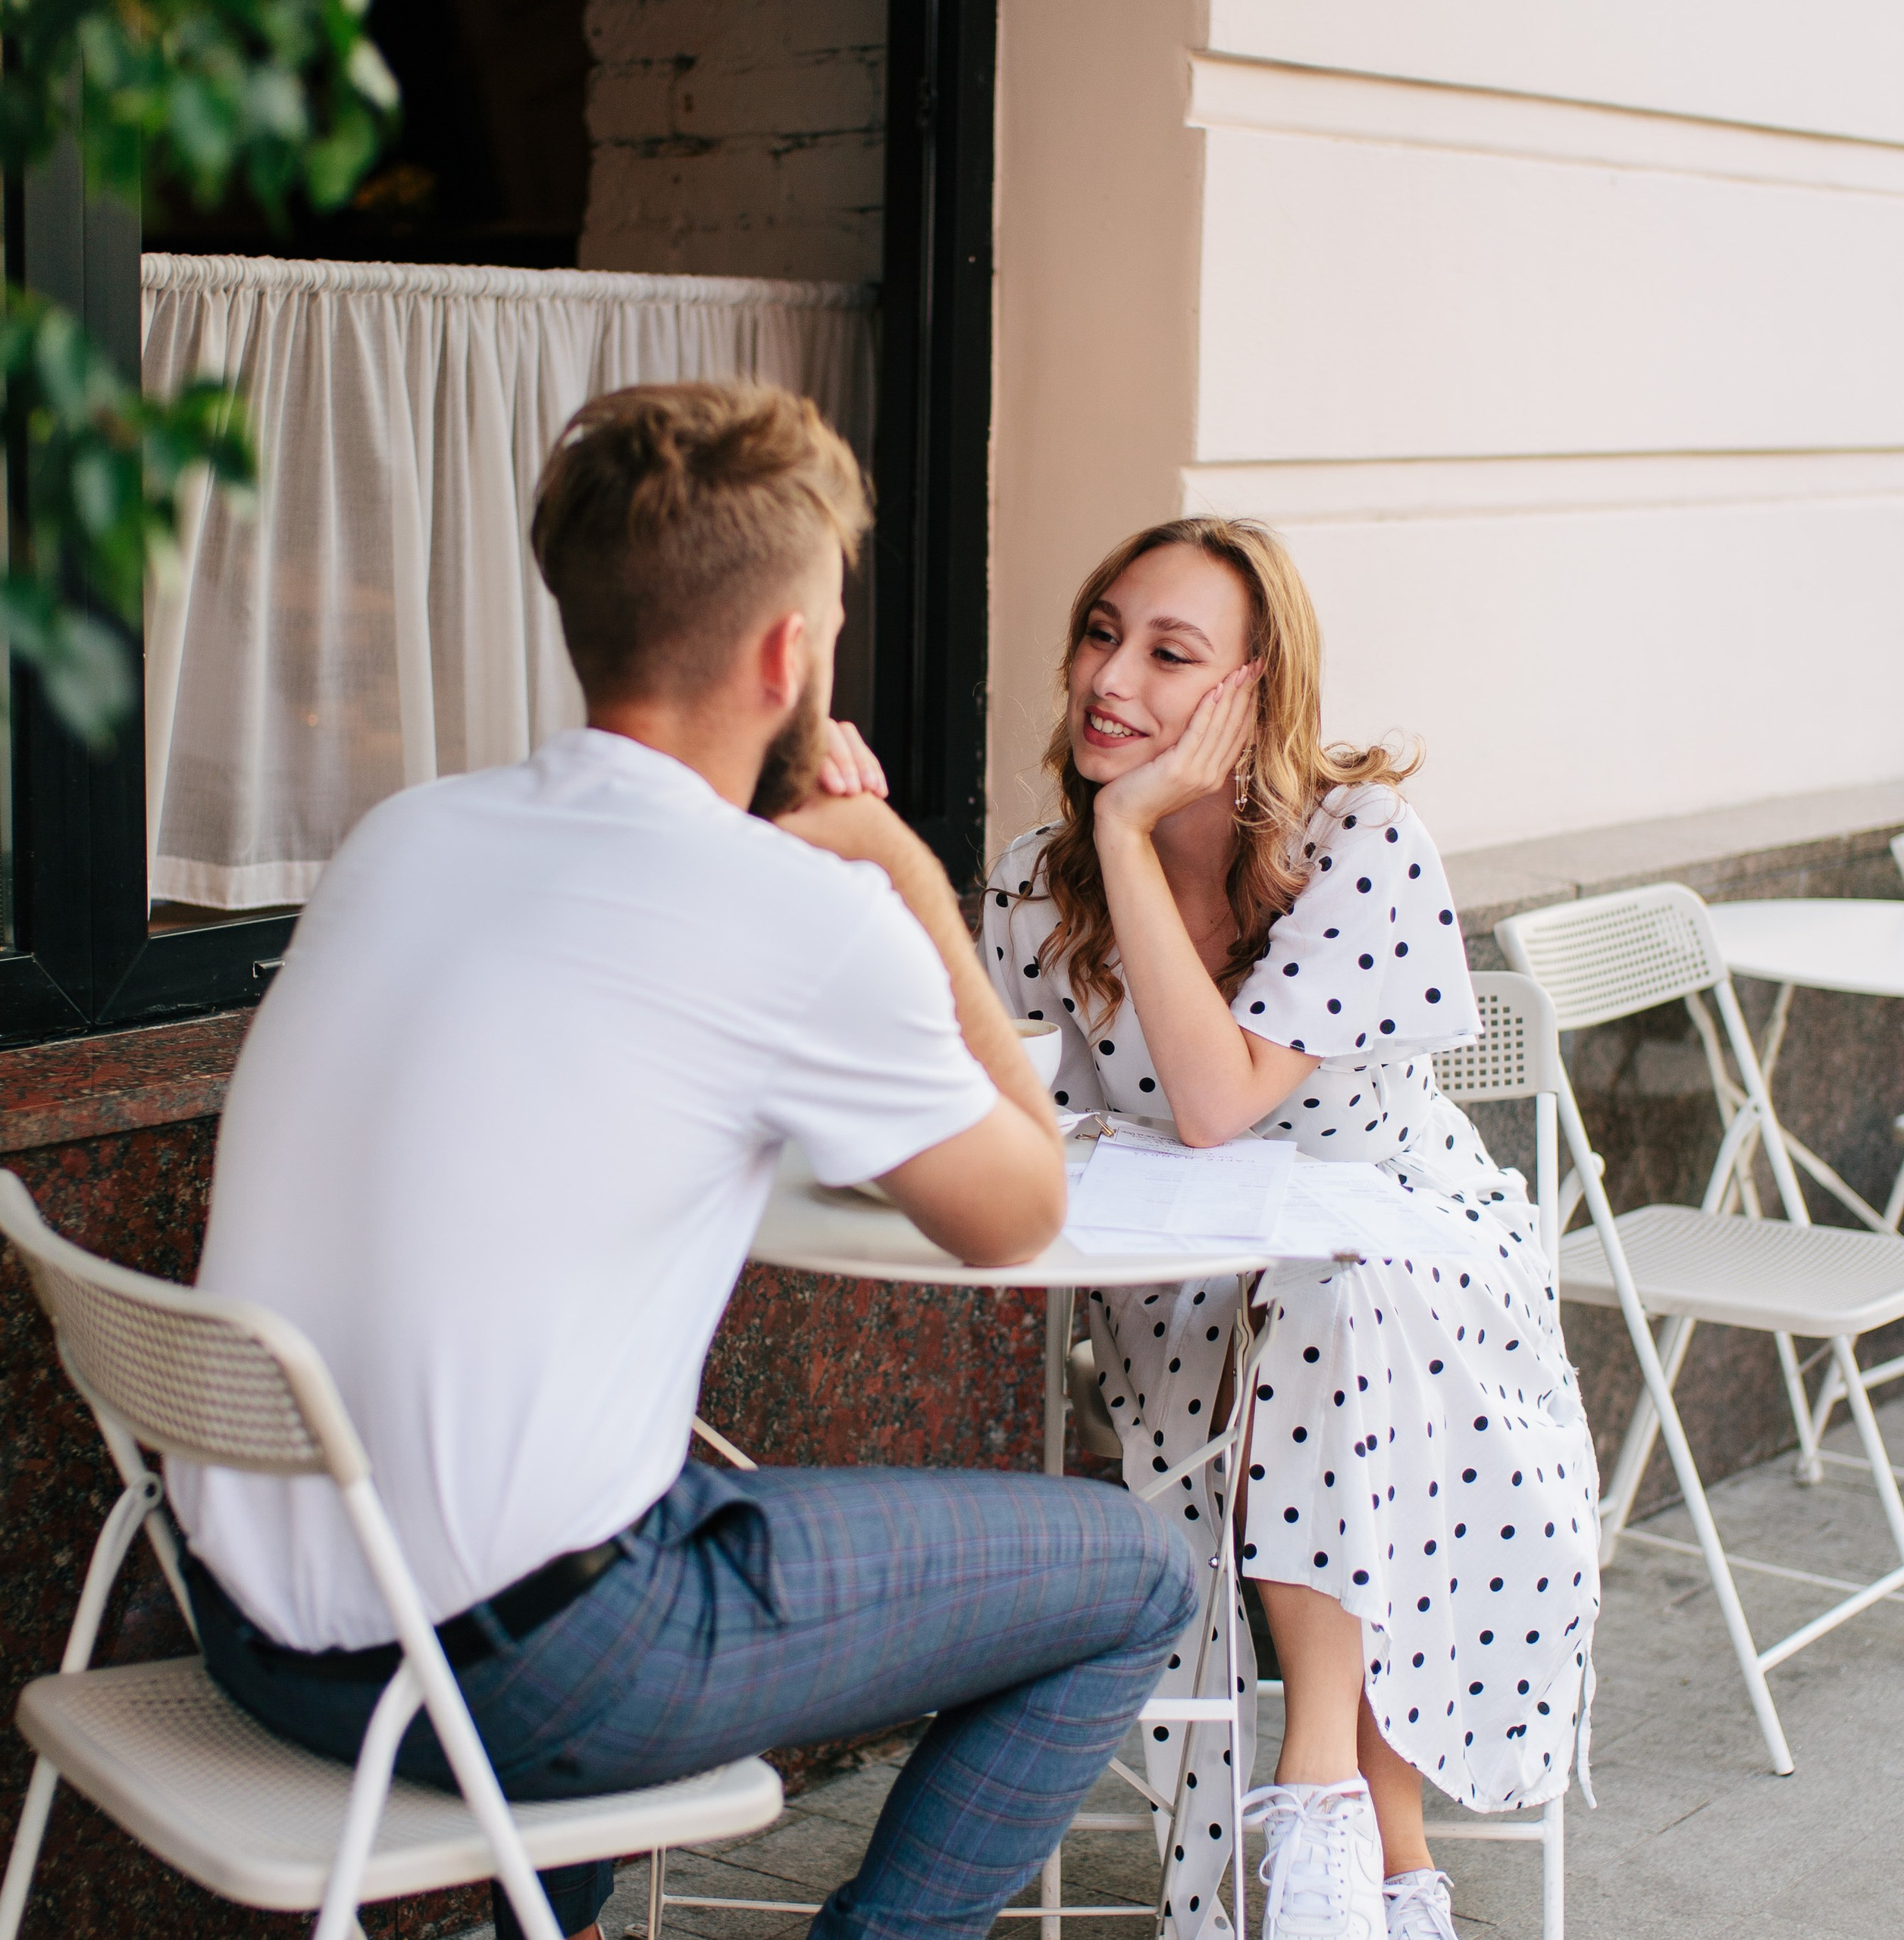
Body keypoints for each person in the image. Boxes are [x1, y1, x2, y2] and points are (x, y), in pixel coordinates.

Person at [166, 383, 1198, 1940]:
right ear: (788, 655)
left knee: (603, 1475)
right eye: (831, 621)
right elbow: (1021, 1207)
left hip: (255, 1633)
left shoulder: (406, 836)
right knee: (1140, 1570)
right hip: (513, 1677)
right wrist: (903, 873)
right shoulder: (797, 913)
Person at [981, 518, 1600, 1940]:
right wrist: (1114, 841)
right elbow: (1026, 1117)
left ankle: (1320, 1796)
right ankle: (1393, 1864)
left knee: (1334, 1307)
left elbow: (1215, 1104)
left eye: (1170, 653)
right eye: (1101, 633)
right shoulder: (1035, 880)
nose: (1110, 678)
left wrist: (1128, 834)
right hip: (1184, 1280)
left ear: (1252, 691)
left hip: (1417, 1257)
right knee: (1307, 1320)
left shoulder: (1358, 844)